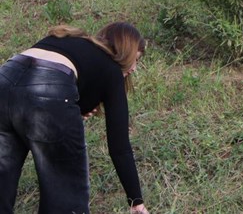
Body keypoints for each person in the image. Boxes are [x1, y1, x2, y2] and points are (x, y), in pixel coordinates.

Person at [0, 22, 150, 213]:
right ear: (124, 52)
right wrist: (135, 199)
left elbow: (30, 83)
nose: (134, 68)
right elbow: (119, 147)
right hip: (49, 88)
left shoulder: (68, 40)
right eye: (134, 60)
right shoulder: (111, 70)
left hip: (5, 78)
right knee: (65, 192)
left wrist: (69, 109)